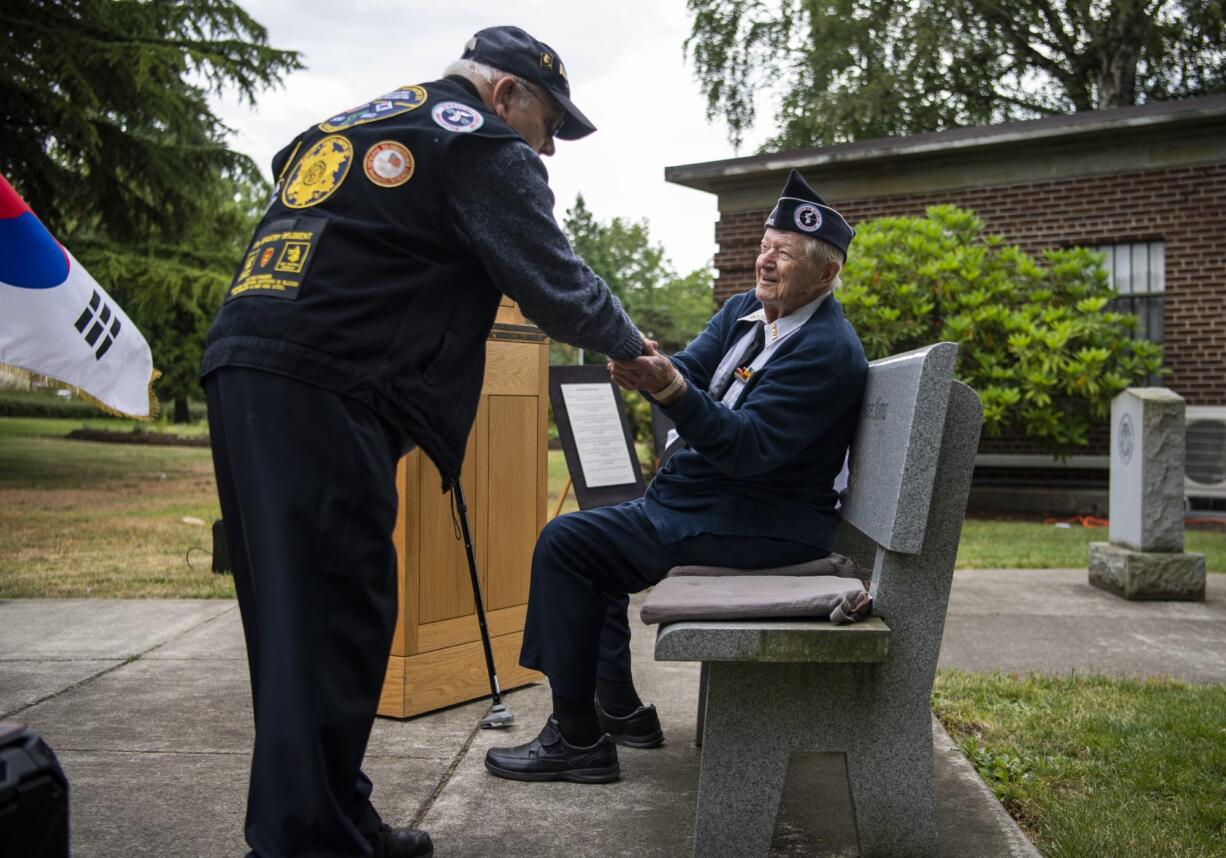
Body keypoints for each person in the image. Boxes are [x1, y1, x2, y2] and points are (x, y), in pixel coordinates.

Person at [201, 26, 651, 858]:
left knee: (299, 622)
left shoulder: (360, 122)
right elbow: (558, 284)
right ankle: (311, 842)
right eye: (548, 125)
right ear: (506, 94)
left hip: (244, 364)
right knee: (339, 617)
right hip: (323, 385)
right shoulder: (479, 142)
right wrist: (639, 351)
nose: (547, 150)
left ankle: (335, 819)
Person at [484, 170, 868, 784]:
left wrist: (666, 386)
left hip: (761, 525)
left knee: (569, 545)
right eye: (764, 247)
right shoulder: (745, 310)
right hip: (713, 504)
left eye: (784, 255)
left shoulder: (826, 349)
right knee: (591, 543)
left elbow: (747, 448)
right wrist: (644, 364)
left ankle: (577, 739)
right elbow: (686, 369)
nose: (765, 263)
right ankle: (620, 710)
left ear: (824, 275)